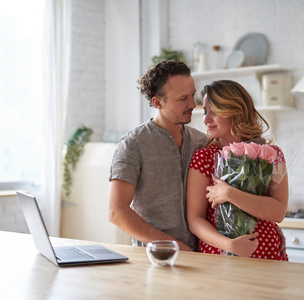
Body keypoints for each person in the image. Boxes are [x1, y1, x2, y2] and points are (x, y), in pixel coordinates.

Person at [108, 60, 206, 251]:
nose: (192, 105)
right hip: (152, 258)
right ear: (157, 102)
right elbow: (116, 212)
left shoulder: (201, 142)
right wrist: (174, 246)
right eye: (182, 98)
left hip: (203, 257)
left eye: (192, 95)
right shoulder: (133, 144)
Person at [187, 80, 289, 260]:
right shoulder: (203, 158)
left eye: (215, 112)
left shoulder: (272, 155)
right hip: (219, 256)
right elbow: (195, 220)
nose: (206, 119)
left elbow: (278, 212)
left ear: (236, 111)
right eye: (205, 111)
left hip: (267, 254)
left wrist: (230, 194)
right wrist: (230, 245)